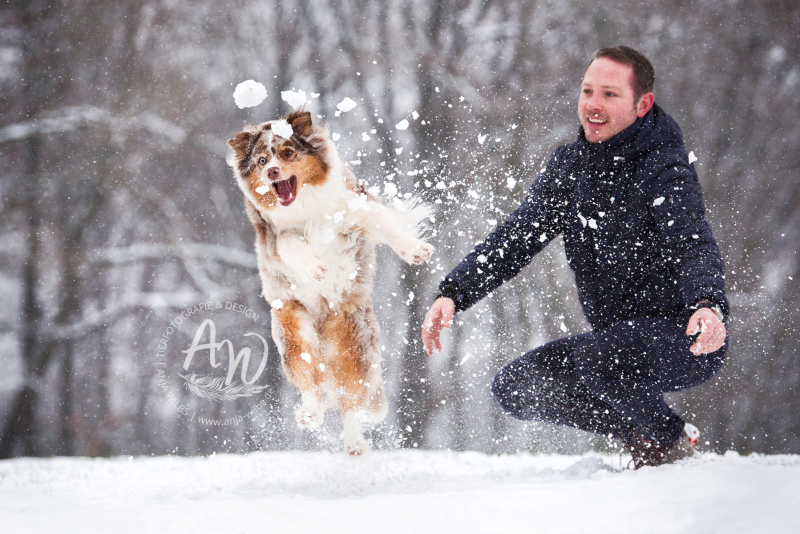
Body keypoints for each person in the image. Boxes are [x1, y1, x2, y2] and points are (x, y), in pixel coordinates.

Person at [421, 46, 728, 469]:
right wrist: (454, 293)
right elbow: (516, 238)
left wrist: (708, 305)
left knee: (599, 359)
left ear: (643, 105)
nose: (593, 105)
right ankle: (641, 433)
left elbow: (693, 244)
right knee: (517, 386)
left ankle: (668, 441)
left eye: (610, 94)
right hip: (613, 344)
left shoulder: (665, 169)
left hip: (683, 336)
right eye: (587, 91)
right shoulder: (570, 170)